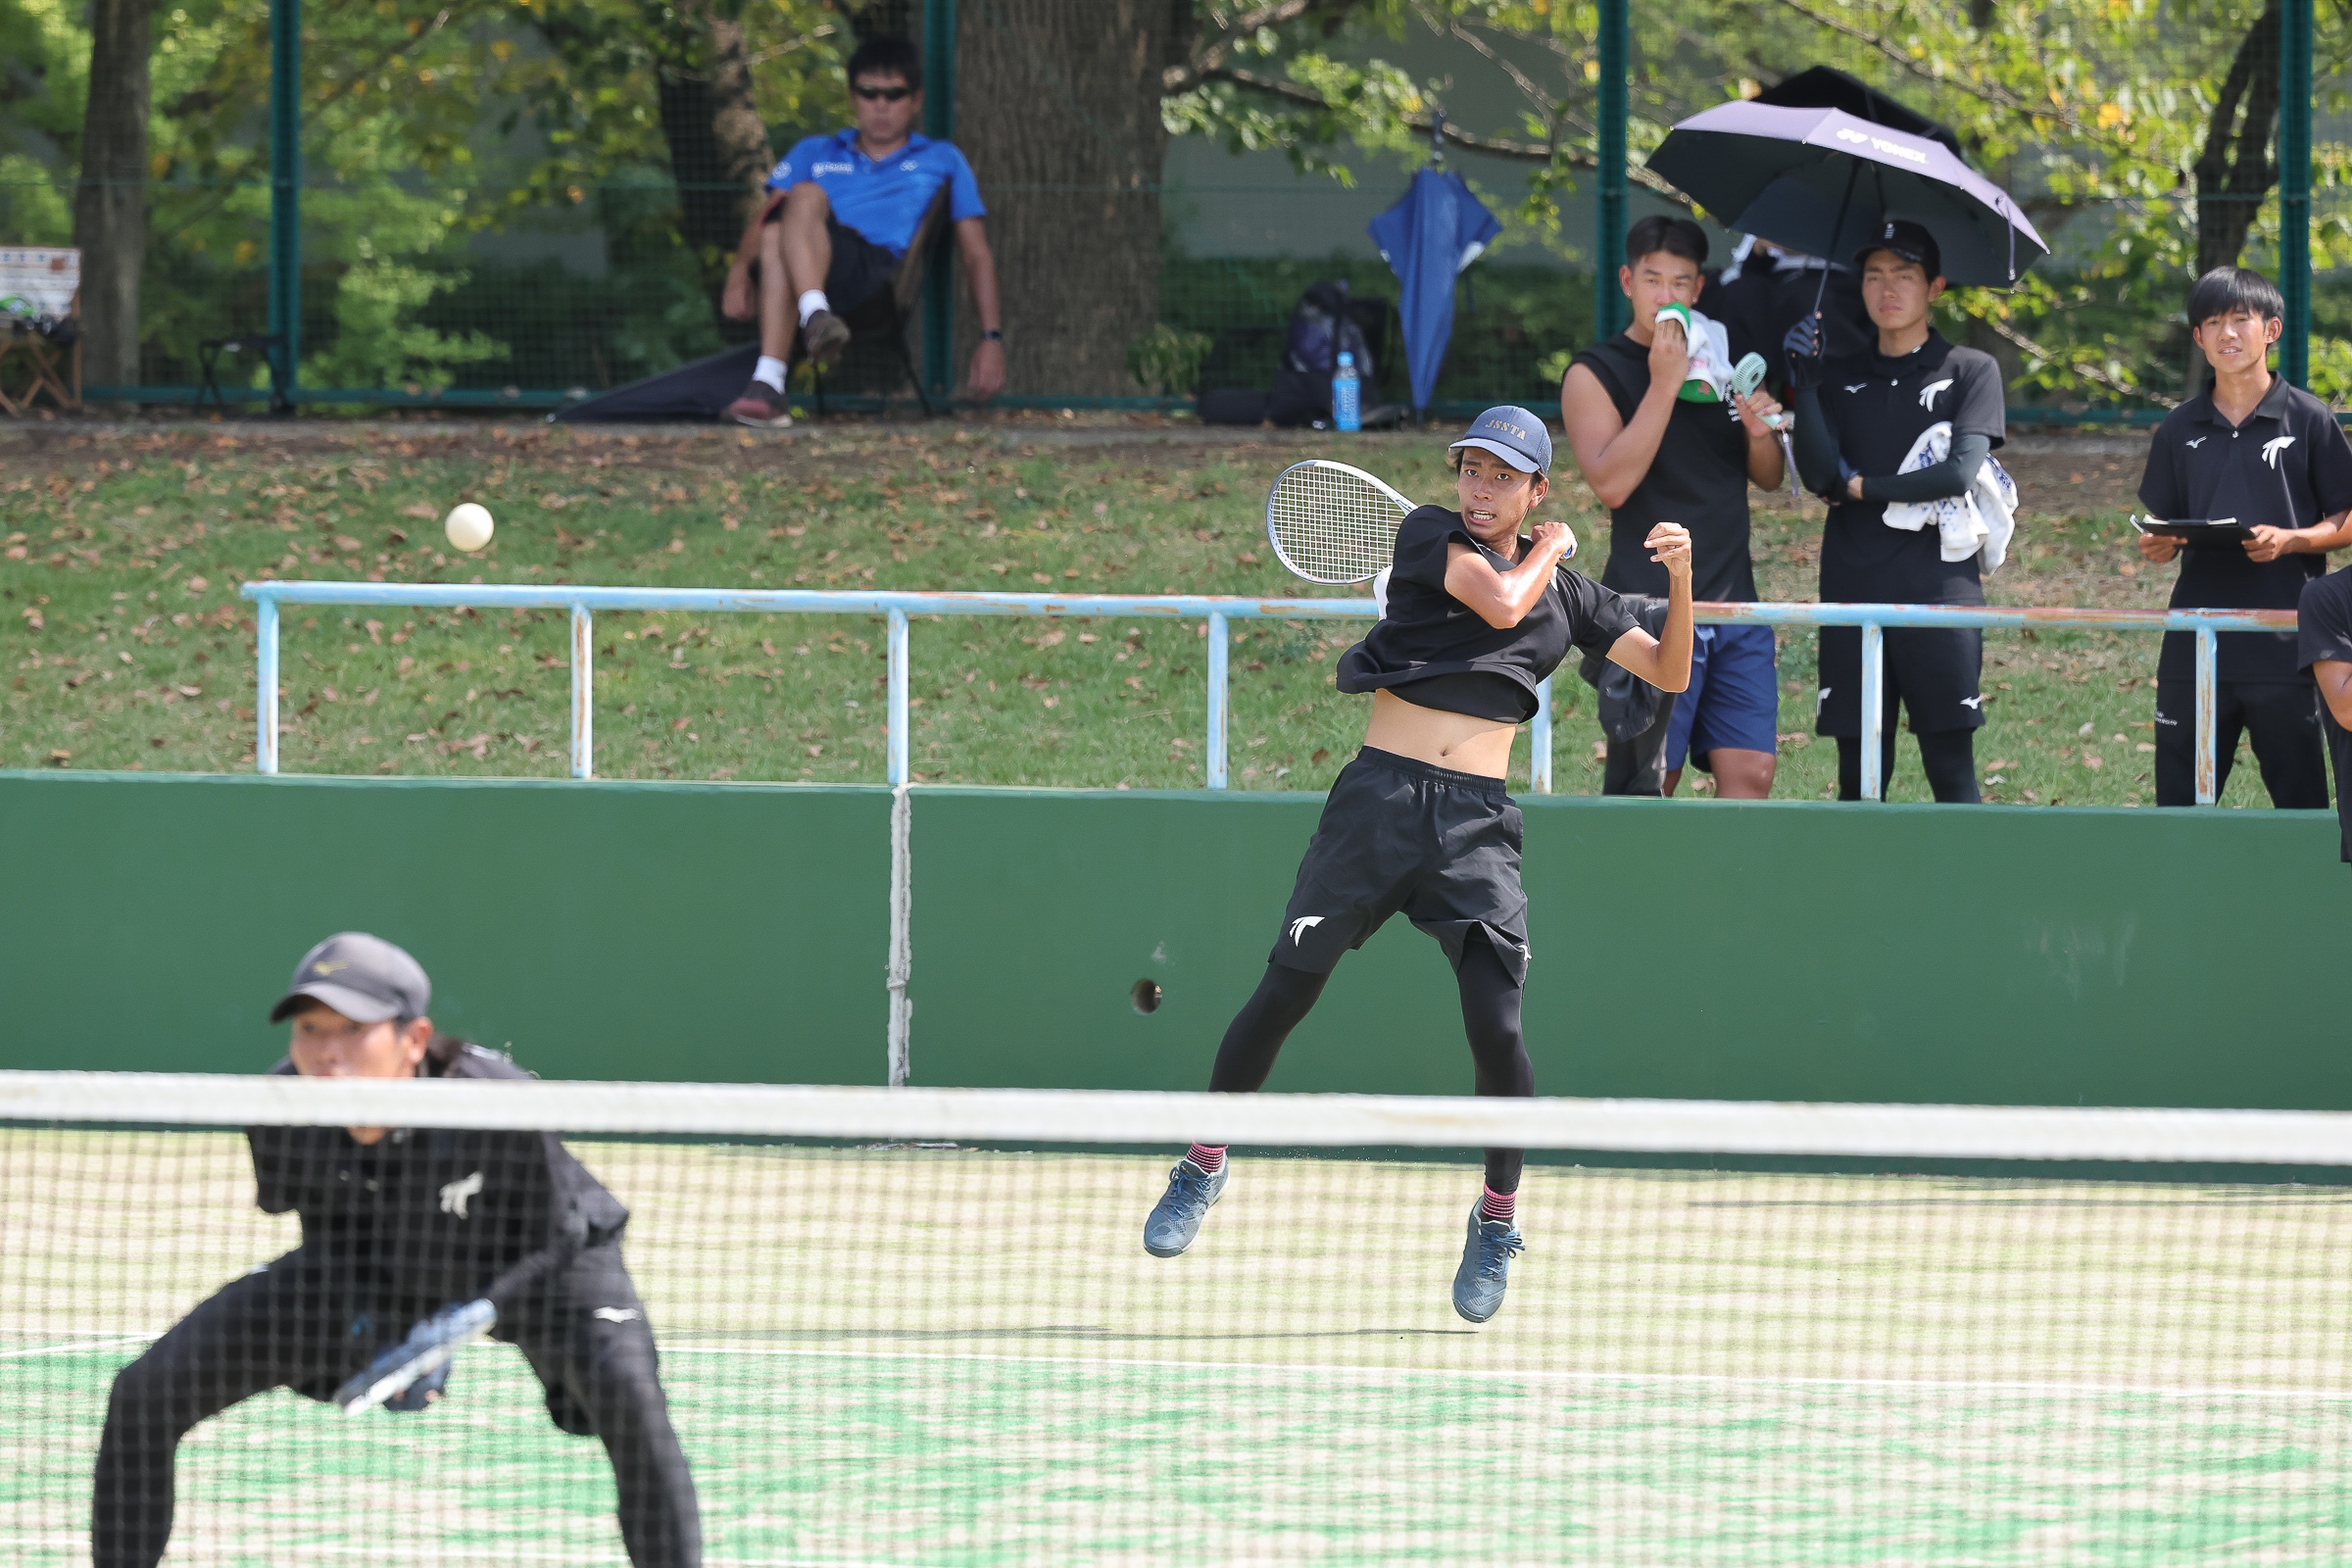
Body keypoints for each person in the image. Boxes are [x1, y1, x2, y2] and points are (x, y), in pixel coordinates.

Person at [1138, 407, 1694, 1324]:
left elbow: (1669, 671)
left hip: (1476, 824)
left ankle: (1497, 1217)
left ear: (1536, 489)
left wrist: (1679, 579)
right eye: (1472, 470)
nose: (1481, 489)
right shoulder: (1431, 534)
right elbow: (1503, 604)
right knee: (1286, 989)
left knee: (1497, 1028)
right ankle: (1203, 1162)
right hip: (1380, 804)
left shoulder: (1570, 596)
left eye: (1502, 477)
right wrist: (1554, 546)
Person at [92, 933, 701, 1568]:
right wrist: (371, 1322)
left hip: (538, 1265)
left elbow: (559, 1232)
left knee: (631, 1403)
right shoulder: (281, 1109)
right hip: (385, 1260)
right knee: (143, 1395)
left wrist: (470, 1318)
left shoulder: (495, 1101)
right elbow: (328, 1235)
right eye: (309, 1028)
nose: (327, 1051)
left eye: (353, 1029)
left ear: (414, 1039)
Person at [1561, 215, 1786, 800]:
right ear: (1627, 281)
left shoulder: (1720, 363)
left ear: (1698, 289)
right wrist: (1664, 383)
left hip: (1733, 602)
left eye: (1680, 282)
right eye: (1653, 280)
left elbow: (1768, 478)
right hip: (1647, 609)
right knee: (1654, 778)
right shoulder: (1594, 372)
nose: (1666, 297)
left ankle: (1727, 869)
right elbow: (1611, 484)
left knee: (1753, 774)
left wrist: (1760, 433)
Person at [1786, 220, 2006, 802]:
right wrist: (1806, 382)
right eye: (1874, 275)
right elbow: (1819, 477)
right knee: (1859, 776)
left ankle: (1967, 868)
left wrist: (1863, 489)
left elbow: (1958, 472)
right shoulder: (1840, 373)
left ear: (1934, 287)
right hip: (1852, 586)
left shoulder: (1970, 369)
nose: (1887, 288)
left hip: (1941, 591)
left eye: (1904, 275)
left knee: (1951, 768)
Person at [2134, 266, 2352, 808]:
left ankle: (2302, 873)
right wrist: (2157, 546)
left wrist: (2293, 539)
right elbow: (2163, 525)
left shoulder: (2309, 419)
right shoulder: (2178, 428)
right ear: (2197, 337)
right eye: (2212, 323)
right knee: (2178, 808)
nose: (2226, 334)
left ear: (2271, 330)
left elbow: (2346, 519)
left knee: (2300, 803)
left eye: (2240, 319)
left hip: (2286, 640)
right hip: (2194, 637)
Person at [720, 36, 1004, 428]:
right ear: (853, 97)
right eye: (869, 93)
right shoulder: (814, 150)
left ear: (916, 100)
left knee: (802, 198)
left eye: (894, 94)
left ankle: (798, 338)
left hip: (876, 279)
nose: (881, 105)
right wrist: (738, 273)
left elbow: (976, 254)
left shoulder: (942, 158)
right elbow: (765, 216)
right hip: (809, 271)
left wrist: (991, 338)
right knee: (778, 226)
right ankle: (781, 366)